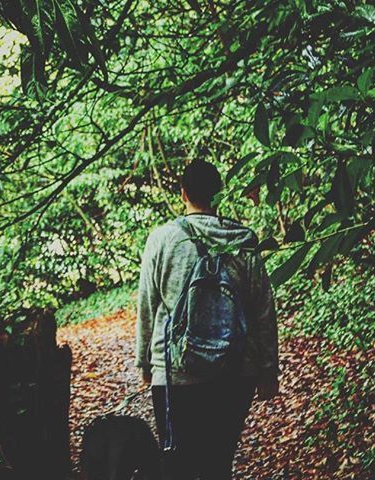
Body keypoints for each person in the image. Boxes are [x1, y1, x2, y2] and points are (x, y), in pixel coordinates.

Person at [135, 159, 279, 480]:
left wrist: (145, 363)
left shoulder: (162, 239)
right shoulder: (243, 239)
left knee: (178, 465)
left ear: (182, 192)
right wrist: (269, 369)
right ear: (219, 194)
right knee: (218, 464)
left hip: (176, 373)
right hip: (236, 371)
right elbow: (262, 309)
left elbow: (147, 304)